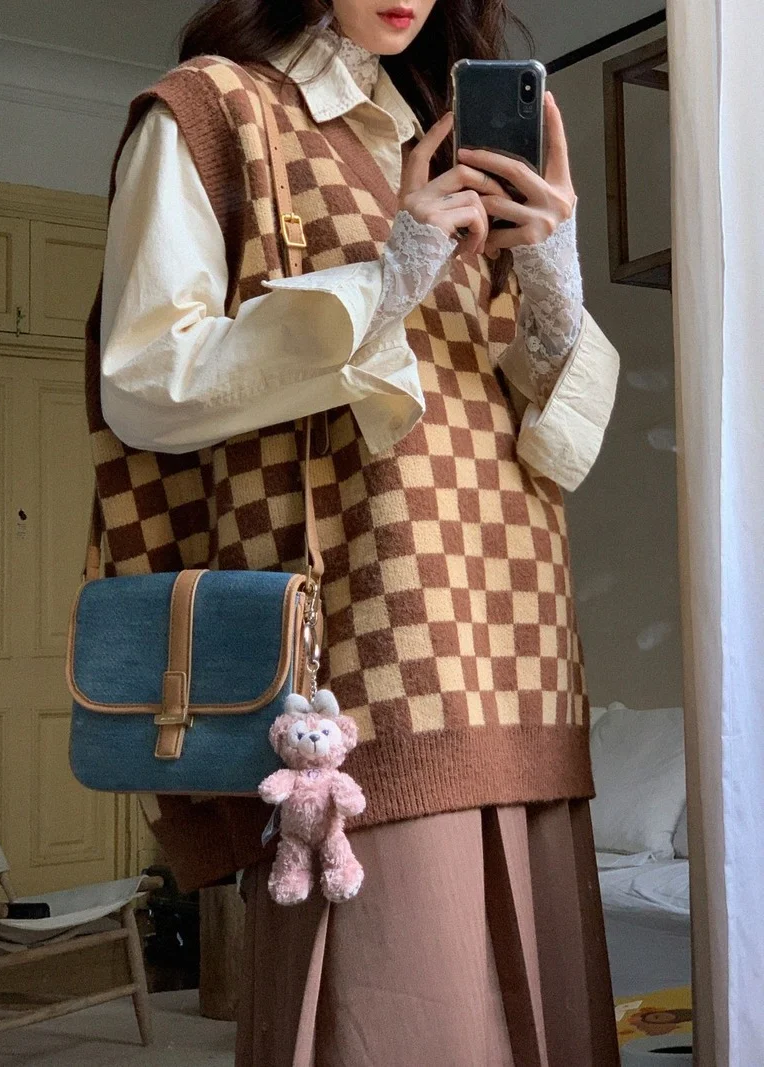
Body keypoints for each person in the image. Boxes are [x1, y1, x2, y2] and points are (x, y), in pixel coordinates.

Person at [86, 1, 622, 1064]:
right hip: (369, 660)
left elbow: (547, 435)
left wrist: (548, 264)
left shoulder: (439, 134)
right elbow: (144, 381)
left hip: (519, 648)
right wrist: (389, 276)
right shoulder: (213, 110)